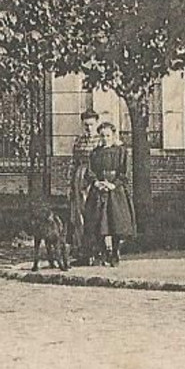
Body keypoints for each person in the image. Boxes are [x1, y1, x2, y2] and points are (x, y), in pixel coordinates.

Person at [92, 123, 137, 266]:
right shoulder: (95, 153)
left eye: (108, 135)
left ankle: (116, 252)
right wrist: (97, 183)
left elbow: (125, 172)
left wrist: (113, 184)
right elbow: (90, 171)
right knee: (100, 222)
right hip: (100, 189)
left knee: (115, 222)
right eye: (102, 136)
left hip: (115, 191)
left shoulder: (121, 151)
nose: (105, 139)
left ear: (113, 135)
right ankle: (104, 252)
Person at [67, 110, 104, 265]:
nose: (89, 128)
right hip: (79, 178)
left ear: (96, 124)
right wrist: (69, 184)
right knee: (78, 215)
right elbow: (73, 163)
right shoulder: (78, 141)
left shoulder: (100, 141)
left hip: (94, 178)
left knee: (94, 215)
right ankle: (80, 249)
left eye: (91, 124)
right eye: (86, 125)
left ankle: (96, 250)